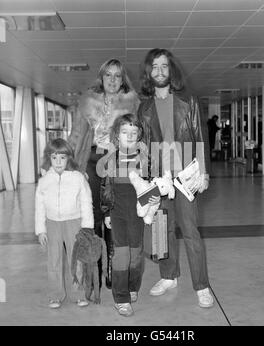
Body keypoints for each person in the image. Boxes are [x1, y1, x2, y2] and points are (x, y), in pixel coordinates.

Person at [137, 48, 214, 308]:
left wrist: (203, 171)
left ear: (171, 70)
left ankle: (202, 285)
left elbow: (200, 136)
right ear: (149, 72)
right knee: (161, 229)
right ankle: (168, 276)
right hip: (159, 177)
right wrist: (146, 180)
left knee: (190, 231)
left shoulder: (187, 101)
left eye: (164, 66)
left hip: (185, 175)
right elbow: (143, 147)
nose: (159, 71)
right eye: (154, 67)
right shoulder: (144, 107)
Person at [68, 59, 140, 291]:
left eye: (117, 75)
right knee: (93, 218)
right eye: (108, 75)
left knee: (115, 218)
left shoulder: (132, 103)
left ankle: (113, 269)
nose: (112, 80)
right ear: (101, 77)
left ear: (123, 79)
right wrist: (62, 164)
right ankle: (92, 274)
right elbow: (76, 135)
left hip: (118, 164)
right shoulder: (88, 102)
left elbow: (140, 136)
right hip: (90, 161)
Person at [97, 113, 160, 317]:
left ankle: (132, 286)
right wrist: (106, 212)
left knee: (136, 254)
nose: (130, 136)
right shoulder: (110, 159)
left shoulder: (145, 159)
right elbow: (105, 186)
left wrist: (153, 200)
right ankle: (120, 297)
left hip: (137, 213)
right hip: (117, 211)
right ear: (117, 135)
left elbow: (153, 185)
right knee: (121, 255)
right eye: (125, 132)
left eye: (134, 132)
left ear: (139, 136)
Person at [35, 138, 94, 309]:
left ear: (69, 158)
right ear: (49, 158)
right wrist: (41, 230)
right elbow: (39, 206)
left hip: (73, 222)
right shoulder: (45, 181)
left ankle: (79, 294)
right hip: (52, 223)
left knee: (76, 260)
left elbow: (86, 202)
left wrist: (87, 227)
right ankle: (55, 295)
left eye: (62, 157)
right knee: (53, 260)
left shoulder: (77, 178)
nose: (58, 162)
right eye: (54, 158)